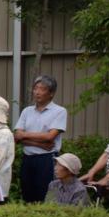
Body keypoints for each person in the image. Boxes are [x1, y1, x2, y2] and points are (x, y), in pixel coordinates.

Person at [14, 75, 67, 203]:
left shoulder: (59, 111)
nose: (37, 92)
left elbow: (50, 136)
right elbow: (17, 136)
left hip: (47, 159)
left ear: (51, 93)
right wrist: (41, 144)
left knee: (44, 195)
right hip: (27, 159)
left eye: (42, 89)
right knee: (27, 194)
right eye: (35, 88)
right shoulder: (27, 111)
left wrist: (25, 136)